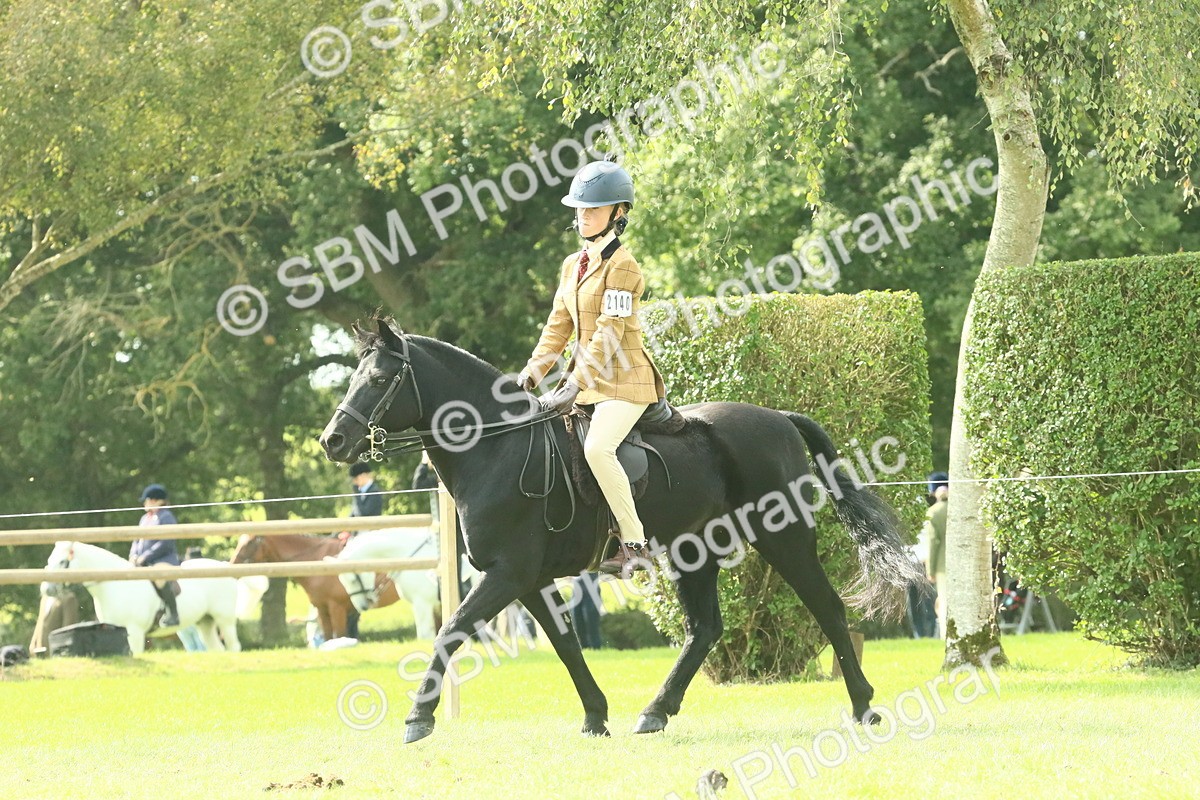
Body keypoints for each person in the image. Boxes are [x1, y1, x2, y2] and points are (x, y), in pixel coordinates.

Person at [517, 158, 667, 577]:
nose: (584, 216)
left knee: (597, 448)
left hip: (625, 382)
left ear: (618, 213)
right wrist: (532, 372)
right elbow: (558, 326)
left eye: (594, 209)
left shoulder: (625, 267)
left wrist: (572, 384)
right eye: (580, 209)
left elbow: (609, 334)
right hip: (584, 384)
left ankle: (635, 543)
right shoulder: (572, 265)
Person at [129, 483, 181, 627]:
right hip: (143, 561)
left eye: (146, 500)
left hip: (164, 560)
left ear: (154, 500)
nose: (145, 503)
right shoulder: (144, 519)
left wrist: (145, 556)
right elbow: (136, 540)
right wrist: (133, 555)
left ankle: (173, 614)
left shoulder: (166, 516)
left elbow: (166, 543)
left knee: (159, 576)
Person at [343, 462, 384, 638]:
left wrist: (355, 496)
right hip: (357, 536)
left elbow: (363, 514)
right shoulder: (361, 493)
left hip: (369, 537)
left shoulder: (374, 492)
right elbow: (352, 516)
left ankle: (368, 589)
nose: (356, 482)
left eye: (356, 479)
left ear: (363, 476)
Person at [918, 475, 949, 637]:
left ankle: (947, 635)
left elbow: (932, 543)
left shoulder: (933, 512)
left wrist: (930, 570)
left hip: (943, 566)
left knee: (944, 602)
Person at [571, 572, 603, 649]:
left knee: (592, 624)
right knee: (577, 622)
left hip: (592, 591)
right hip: (577, 591)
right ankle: (584, 647)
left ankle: (596, 648)